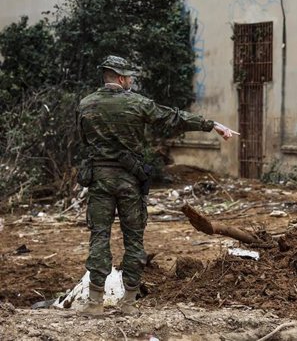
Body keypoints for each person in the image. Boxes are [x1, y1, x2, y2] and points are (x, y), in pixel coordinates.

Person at [76, 55, 236, 316]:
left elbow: (83, 141)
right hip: (130, 181)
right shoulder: (137, 103)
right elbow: (173, 118)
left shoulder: (85, 105)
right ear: (119, 77)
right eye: (128, 77)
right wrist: (211, 125)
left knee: (99, 237)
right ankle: (128, 303)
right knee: (134, 240)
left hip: (99, 180)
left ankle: (94, 303)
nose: (131, 81)